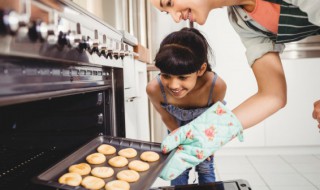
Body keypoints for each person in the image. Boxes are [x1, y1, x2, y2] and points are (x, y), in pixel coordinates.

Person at [149, 0, 320, 130]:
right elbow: (272, 95)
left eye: (170, 2)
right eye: (166, 12)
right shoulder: (243, 22)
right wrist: (206, 137)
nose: (175, 17)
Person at [146, 27, 227, 185]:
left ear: (200, 69)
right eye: (166, 75)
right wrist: (180, 141)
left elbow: (215, 118)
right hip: (176, 129)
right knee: (177, 170)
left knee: (205, 168)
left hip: (205, 132)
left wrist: (207, 144)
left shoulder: (216, 86)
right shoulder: (154, 89)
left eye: (183, 77)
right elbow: (166, 117)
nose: (174, 85)